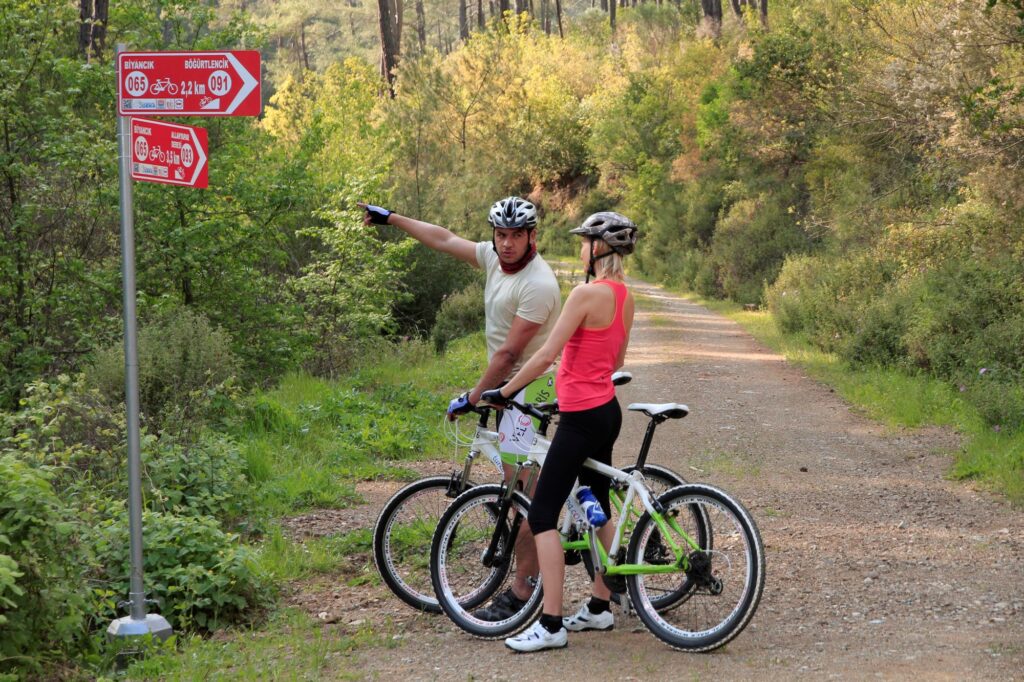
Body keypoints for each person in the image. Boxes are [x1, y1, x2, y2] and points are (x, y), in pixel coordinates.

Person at [359, 197, 561, 619]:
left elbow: (508, 354)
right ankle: (532, 547)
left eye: (516, 236)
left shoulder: (538, 284)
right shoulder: (492, 257)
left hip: (530, 389)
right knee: (517, 487)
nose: (506, 244)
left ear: (532, 237)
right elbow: (444, 239)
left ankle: (523, 592)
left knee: (523, 494)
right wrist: (391, 217)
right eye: (500, 235)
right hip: (509, 389)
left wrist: (472, 398)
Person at [480, 211, 639, 653]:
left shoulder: (585, 294)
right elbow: (618, 360)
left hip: (582, 416)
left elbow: (547, 353)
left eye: (586, 242)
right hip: (607, 410)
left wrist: (504, 391)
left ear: (600, 249)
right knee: (598, 506)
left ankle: (550, 625)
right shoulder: (625, 296)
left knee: (543, 515)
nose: (581, 248)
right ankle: (601, 606)